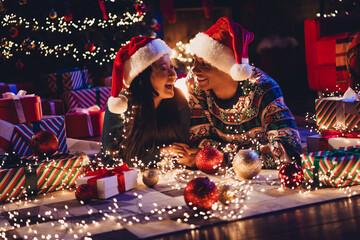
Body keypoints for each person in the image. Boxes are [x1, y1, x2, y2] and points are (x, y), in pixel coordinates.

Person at [178, 17, 301, 169]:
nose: (195, 69)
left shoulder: (263, 89)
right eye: (195, 60)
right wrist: (249, 155)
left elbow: (289, 148)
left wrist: (224, 157)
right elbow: (197, 140)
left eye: (205, 64)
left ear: (229, 69)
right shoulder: (196, 85)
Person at [101, 36, 193, 168]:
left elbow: (185, 147)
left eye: (171, 67)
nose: (173, 74)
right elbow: (110, 159)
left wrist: (184, 157)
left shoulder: (178, 100)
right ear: (143, 77)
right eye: (163, 68)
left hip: (171, 176)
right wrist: (162, 153)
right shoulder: (122, 105)